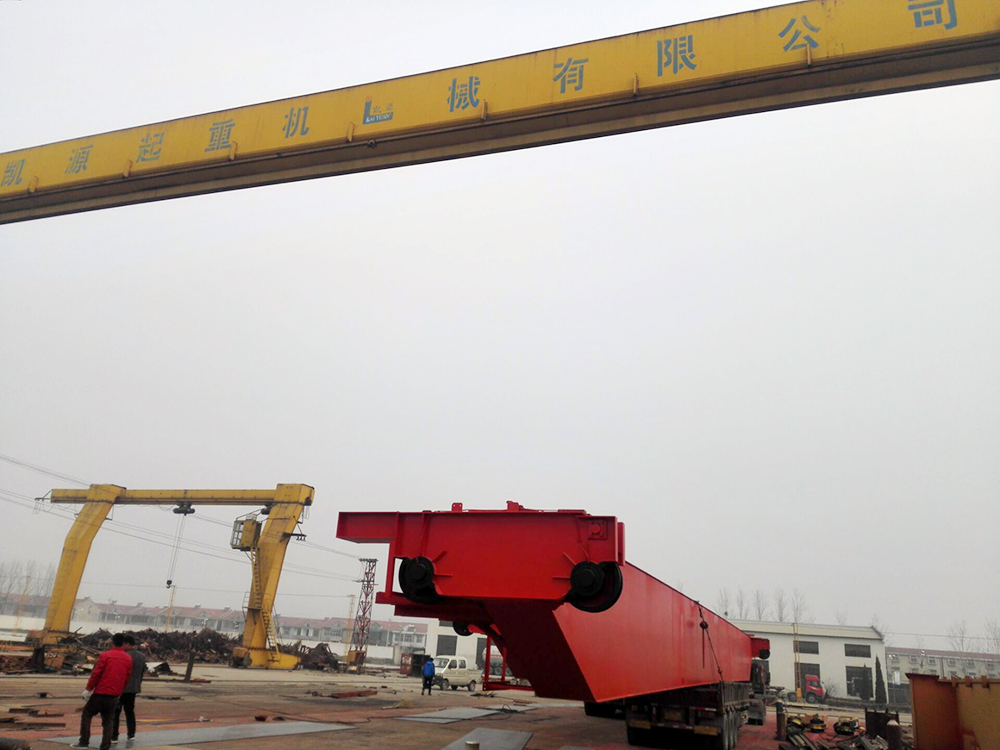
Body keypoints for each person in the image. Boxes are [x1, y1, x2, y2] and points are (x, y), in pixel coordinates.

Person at [73, 633, 132, 750]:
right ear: (123, 643)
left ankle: (84, 742)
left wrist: (88, 689)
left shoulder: (105, 656)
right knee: (108, 720)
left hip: (101, 692)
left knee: (87, 714)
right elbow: (126, 677)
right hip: (114, 695)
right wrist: (119, 692)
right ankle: (105, 746)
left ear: (112, 642)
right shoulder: (128, 658)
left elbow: (96, 674)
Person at [112, 636, 147, 746]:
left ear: (127, 644)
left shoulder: (125, 655)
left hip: (121, 688)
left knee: (116, 712)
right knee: (130, 712)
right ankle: (131, 734)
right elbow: (142, 672)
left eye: (123, 644)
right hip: (133, 688)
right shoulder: (141, 656)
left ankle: (114, 736)